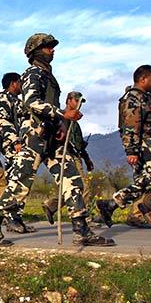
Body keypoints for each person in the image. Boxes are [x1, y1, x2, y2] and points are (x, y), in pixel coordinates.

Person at [0, 33, 115, 246]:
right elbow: (31, 102)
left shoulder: (49, 76)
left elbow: (48, 108)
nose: (52, 50)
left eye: (52, 47)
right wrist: (63, 114)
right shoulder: (32, 73)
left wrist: (60, 124)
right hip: (34, 136)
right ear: (35, 51)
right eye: (47, 47)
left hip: (52, 136)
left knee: (73, 181)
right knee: (20, 184)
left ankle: (82, 230)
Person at [95, 65, 151, 235]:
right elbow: (131, 127)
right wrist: (132, 151)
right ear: (143, 79)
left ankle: (111, 204)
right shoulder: (133, 98)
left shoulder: (148, 97)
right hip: (144, 144)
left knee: (145, 181)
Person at [42, 92, 95, 225]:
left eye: (80, 102)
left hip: (76, 155)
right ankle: (85, 218)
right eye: (76, 101)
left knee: (73, 187)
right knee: (83, 186)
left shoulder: (75, 123)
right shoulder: (60, 118)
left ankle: (51, 205)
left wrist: (87, 159)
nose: (78, 104)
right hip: (66, 156)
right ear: (68, 101)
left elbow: (80, 143)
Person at [0, 72, 24, 171]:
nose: (22, 85)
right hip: (11, 143)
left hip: (18, 142)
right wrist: (15, 141)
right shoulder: (3, 99)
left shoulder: (15, 100)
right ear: (13, 83)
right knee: (17, 172)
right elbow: (3, 121)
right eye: (20, 82)